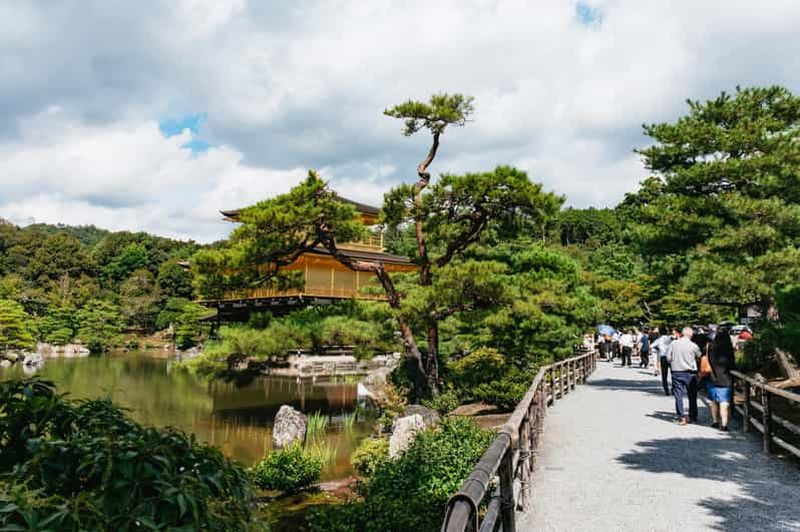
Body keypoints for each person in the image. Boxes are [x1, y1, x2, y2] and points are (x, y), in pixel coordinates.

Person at [667, 327, 700, 425]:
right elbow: (699, 356)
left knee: (678, 394)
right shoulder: (693, 345)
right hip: (690, 372)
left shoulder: (673, 343)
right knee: (692, 395)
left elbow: (668, 357)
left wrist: (674, 362)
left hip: (676, 371)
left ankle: (681, 417)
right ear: (691, 335)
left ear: (682, 334)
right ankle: (693, 416)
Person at [705, 328, 736, 431]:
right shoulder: (728, 348)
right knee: (724, 402)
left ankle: (715, 421)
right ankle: (724, 424)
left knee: (713, 401)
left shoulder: (710, 347)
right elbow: (732, 364)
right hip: (725, 378)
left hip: (712, 377)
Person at [651, 328, 673, 395]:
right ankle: (674, 388)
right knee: (673, 373)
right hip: (671, 357)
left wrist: (658, 349)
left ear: (660, 333)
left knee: (664, 374)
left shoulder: (659, 340)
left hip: (663, 357)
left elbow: (651, 346)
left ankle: (666, 390)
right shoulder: (670, 338)